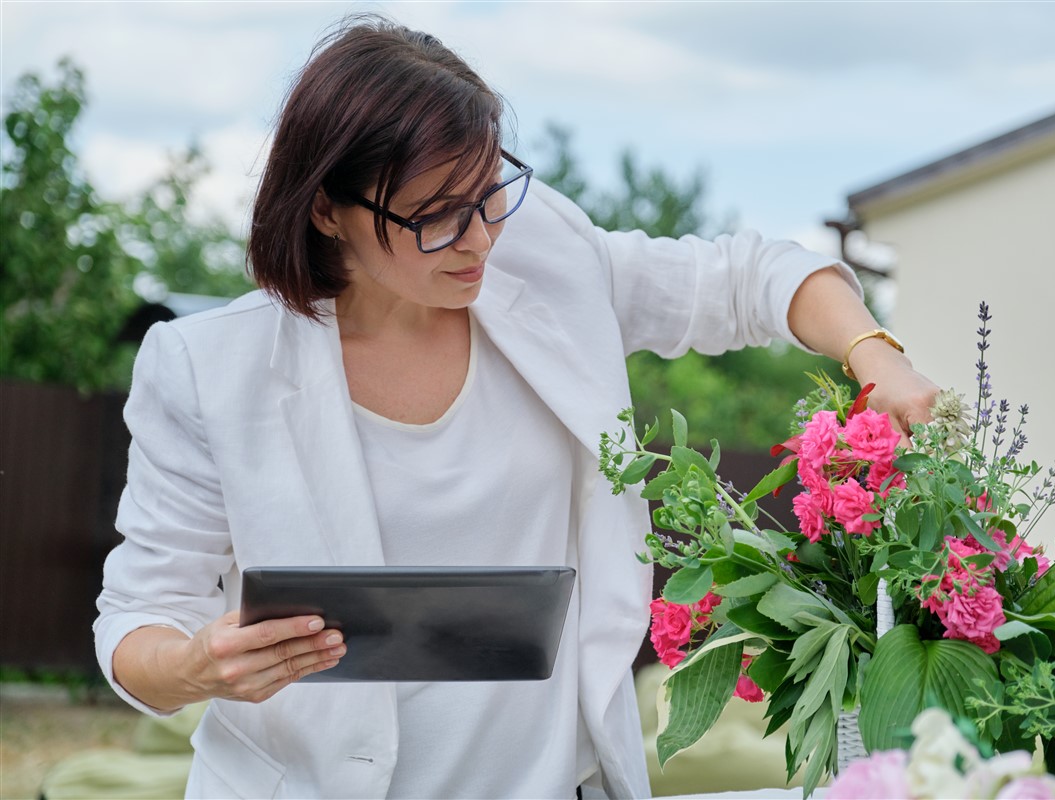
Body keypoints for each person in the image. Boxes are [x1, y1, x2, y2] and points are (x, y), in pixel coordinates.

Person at [95, 15, 939, 800]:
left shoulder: (549, 264)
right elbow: (139, 620)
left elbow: (752, 276)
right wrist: (199, 666)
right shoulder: (207, 368)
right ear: (325, 209)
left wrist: (875, 355)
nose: (479, 238)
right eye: (433, 216)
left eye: (490, 191)